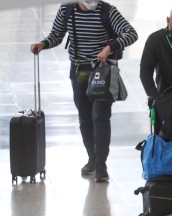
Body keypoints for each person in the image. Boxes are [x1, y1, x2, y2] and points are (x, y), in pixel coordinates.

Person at [31, 2, 139, 182]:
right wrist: (42, 44)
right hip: (79, 71)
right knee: (85, 117)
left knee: (100, 117)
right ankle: (92, 158)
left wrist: (109, 47)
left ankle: (101, 163)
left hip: (102, 71)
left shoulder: (107, 11)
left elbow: (131, 33)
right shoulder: (67, 10)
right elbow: (56, 36)